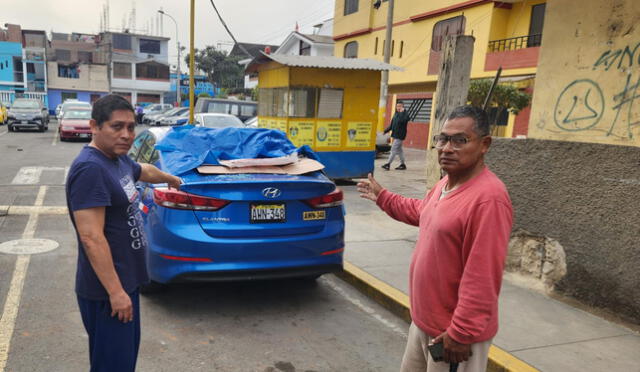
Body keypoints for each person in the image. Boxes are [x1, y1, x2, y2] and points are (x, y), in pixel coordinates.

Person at [358, 105, 513, 372]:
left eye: (460, 140)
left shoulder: (489, 199)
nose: (447, 148)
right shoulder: (446, 183)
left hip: (452, 336)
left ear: (484, 144)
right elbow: (423, 212)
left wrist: (461, 333)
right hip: (424, 324)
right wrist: (384, 197)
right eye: (443, 139)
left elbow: (483, 276)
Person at [66, 94, 182, 372]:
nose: (127, 135)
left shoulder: (117, 160)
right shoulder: (91, 169)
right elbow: (91, 238)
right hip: (108, 292)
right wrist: (116, 293)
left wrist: (172, 178)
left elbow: (144, 170)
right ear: (95, 126)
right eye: (117, 127)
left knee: (123, 362)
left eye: (131, 127)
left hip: (125, 283)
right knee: (112, 366)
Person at [381, 102, 410, 170]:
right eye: (397, 106)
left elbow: (402, 121)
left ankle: (388, 164)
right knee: (400, 151)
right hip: (395, 135)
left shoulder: (405, 114)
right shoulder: (396, 114)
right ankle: (403, 165)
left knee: (393, 149)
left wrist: (402, 113)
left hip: (400, 136)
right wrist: (385, 131)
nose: (398, 107)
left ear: (403, 107)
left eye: (400, 106)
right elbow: (392, 125)